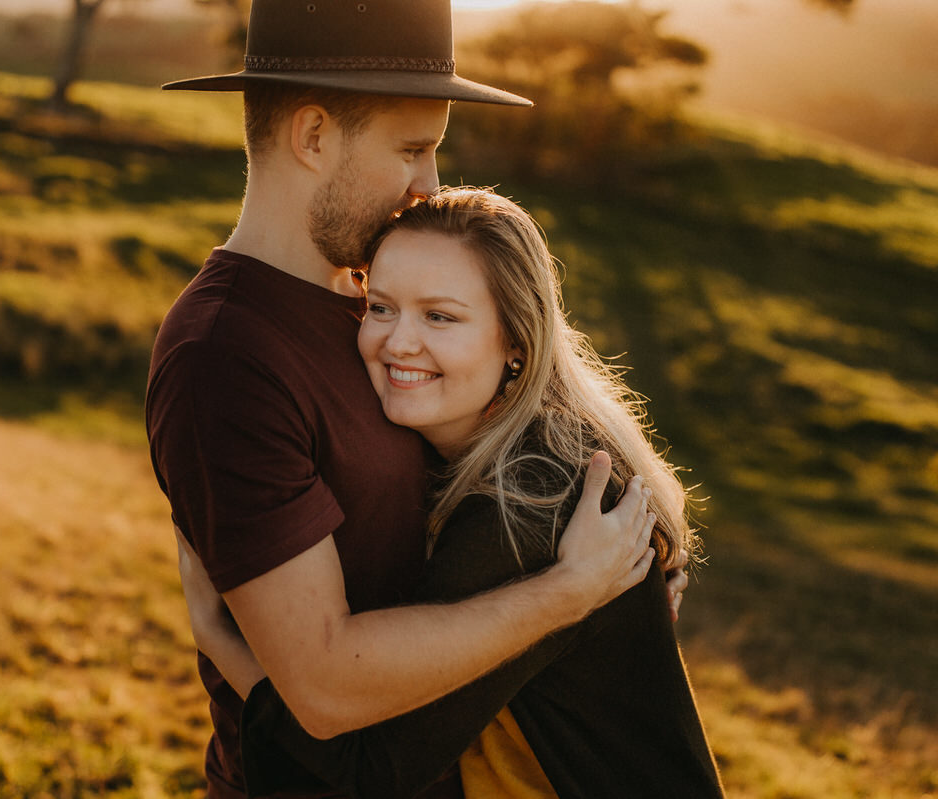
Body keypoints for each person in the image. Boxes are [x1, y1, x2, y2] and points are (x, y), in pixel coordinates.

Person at [146, 2, 688, 796]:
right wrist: (566, 598)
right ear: (314, 135)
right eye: (412, 149)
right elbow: (326, 687)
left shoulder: (378, 294)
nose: (429, 184)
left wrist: (624, 594)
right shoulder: (226, 355)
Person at [184, 188, 725, 798]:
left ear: (516, 343)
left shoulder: (529, 502)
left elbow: (368, 770)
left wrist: (219, 637)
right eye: (381, 307)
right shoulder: (510, 441)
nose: (398, 342)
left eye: (439, 316)